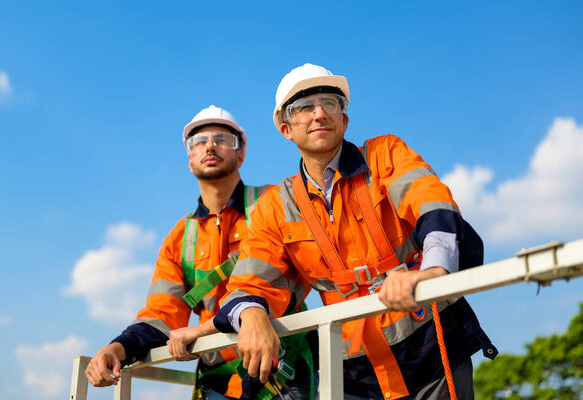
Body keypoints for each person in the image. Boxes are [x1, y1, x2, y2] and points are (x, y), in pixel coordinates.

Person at [208, 64, 498, 400]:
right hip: (354, 371)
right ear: (286, 128)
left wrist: (432, 271)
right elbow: (250, 279)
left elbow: (432, 204)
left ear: (344, 120)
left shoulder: (385, 155)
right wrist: (253, 314)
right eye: (304, 107)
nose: (319, 114)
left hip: (432, 346)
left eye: (329, 103)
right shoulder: (276, 206)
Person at [84, 105, 317, 400]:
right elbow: (162, 314)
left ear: (241, 152)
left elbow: (311, 272)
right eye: (198, 142)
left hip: (287, 369)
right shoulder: (180, 238)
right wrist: (115, 349)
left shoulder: (274, 203)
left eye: (221, 138)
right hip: (220, 382)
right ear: (189, 160)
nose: (209, 145)